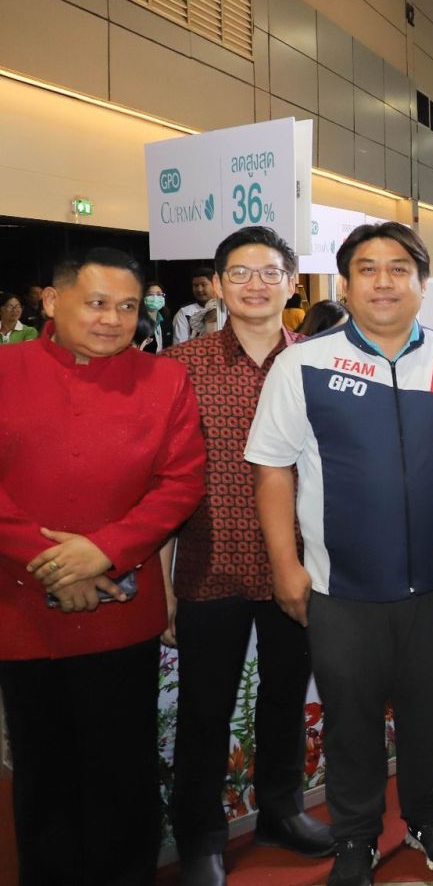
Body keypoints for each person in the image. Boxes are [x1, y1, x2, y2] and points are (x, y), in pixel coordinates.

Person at [246, 222, 433, 886]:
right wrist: (286, 567)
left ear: (422, 283)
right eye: (368, 269)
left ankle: (427, 818)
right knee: (349, 721)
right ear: (345, 284)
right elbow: (271, 470)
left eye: (399, 269)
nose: (384, 282)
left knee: (429, 715)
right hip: (340, 587)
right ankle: (355, 836)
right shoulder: (304, 364)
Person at [0, 247, 206, 886]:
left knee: (123, 769)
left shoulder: (164, 379)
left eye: (127, 306)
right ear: (51, 301)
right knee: (41, 769)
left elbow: (181, 482)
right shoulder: (5, 369)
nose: (113, 320)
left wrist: (105, 552)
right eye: (96, 303)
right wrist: (55, 562)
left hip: (123, 605)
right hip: (22, 605)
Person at [160, 227, 333, 885]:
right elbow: (161, 480)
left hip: (299, 564)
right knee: (205, 708)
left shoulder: (319, 363)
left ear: (292, 283)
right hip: (211, 562)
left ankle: (281, 811)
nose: (255, 285)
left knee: (286, 698)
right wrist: (164, 584)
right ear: (216, 283)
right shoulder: (179, 366)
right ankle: (201, 836)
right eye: (239, 272)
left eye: (269, 272)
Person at [173, 269, 226, 344]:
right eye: (195, 285)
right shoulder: (185, 313)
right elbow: (179, 345)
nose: (199, 289)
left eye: (203, 285)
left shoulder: (228, 308)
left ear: (215, 284)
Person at [141, 281, 173, 352]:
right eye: (150, 294)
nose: (155, 297)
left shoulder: (166, 321)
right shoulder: (138, 322)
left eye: (159, 294)